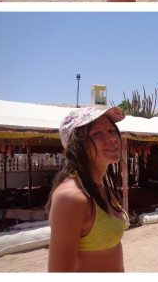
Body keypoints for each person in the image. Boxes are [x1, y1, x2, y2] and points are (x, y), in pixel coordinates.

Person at [46, 106, 128, 272]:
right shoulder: (71, 198)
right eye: (97, 133)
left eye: (112, 130)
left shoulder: (99, 186)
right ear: (77, 145)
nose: (112, 138)